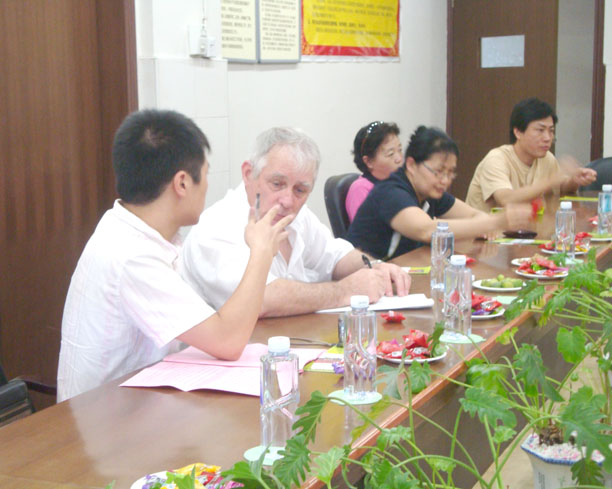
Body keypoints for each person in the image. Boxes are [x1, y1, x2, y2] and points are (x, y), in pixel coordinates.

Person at [57, 110, 291, 401]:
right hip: (108, 417)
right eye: (205, 174)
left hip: (146, 400)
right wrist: (262, 252)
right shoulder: (131, 255)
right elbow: (228, 341)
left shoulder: (139, 233)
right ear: (182, 183)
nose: (207, 186)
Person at [180, 127, 412, 318]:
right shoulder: (217, 227)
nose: (288, 201)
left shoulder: (296, 215)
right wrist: (345, 291)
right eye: (277, 184)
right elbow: (261, 299)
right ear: (249, 173)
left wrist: (376, 268)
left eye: (300, 190)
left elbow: (334, 256)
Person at [346, 126, 532, 259]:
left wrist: (483, 224)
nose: (445, 180)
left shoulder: (429, 190)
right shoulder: (391, 192)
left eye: (450, 173)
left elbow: (473, 214)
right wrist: (495, 221)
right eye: (438, 171)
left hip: (402, 272)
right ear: (411, 165)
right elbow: (427, 230)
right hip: (364, 279)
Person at [466, 97, 597, 212]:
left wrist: (574, 180)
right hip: (484, 231)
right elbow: (506, 199)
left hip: (527, 230)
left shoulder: (547, 158)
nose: (547, 138)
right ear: (518, 132)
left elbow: (561, 188)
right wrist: (551, 181)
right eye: (540, 130)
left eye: (551, 131)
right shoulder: (496, 159)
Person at [345, 121, 403, 222]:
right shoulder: (360, 189)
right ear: (369, 161)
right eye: (390, 154)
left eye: (400, 150)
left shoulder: (398, 184)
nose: (399, 158)